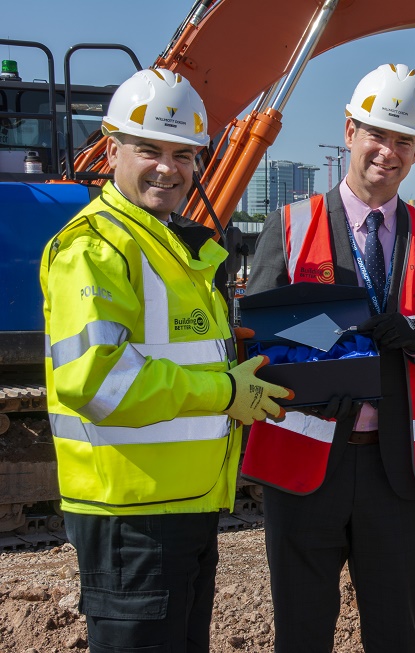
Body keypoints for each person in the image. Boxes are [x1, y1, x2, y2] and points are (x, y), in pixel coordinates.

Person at [40, 68, 290, 653]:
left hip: (183, 507)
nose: (167, 167)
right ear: (110, 149)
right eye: (149, 149)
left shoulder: (165, 244)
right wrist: (224, 394)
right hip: (130, 515)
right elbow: (96, 381)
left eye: (183, 154)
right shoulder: (96, 248)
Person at [243, 63, 415, 652]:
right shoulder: (290, 226)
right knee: (301, 631)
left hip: (394, 470)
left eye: (404, 141)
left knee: (396, 632)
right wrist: (317, 345)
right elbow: (251, 335)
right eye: (377, 134)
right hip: (305, 464)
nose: (389, 152)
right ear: (349, 131)